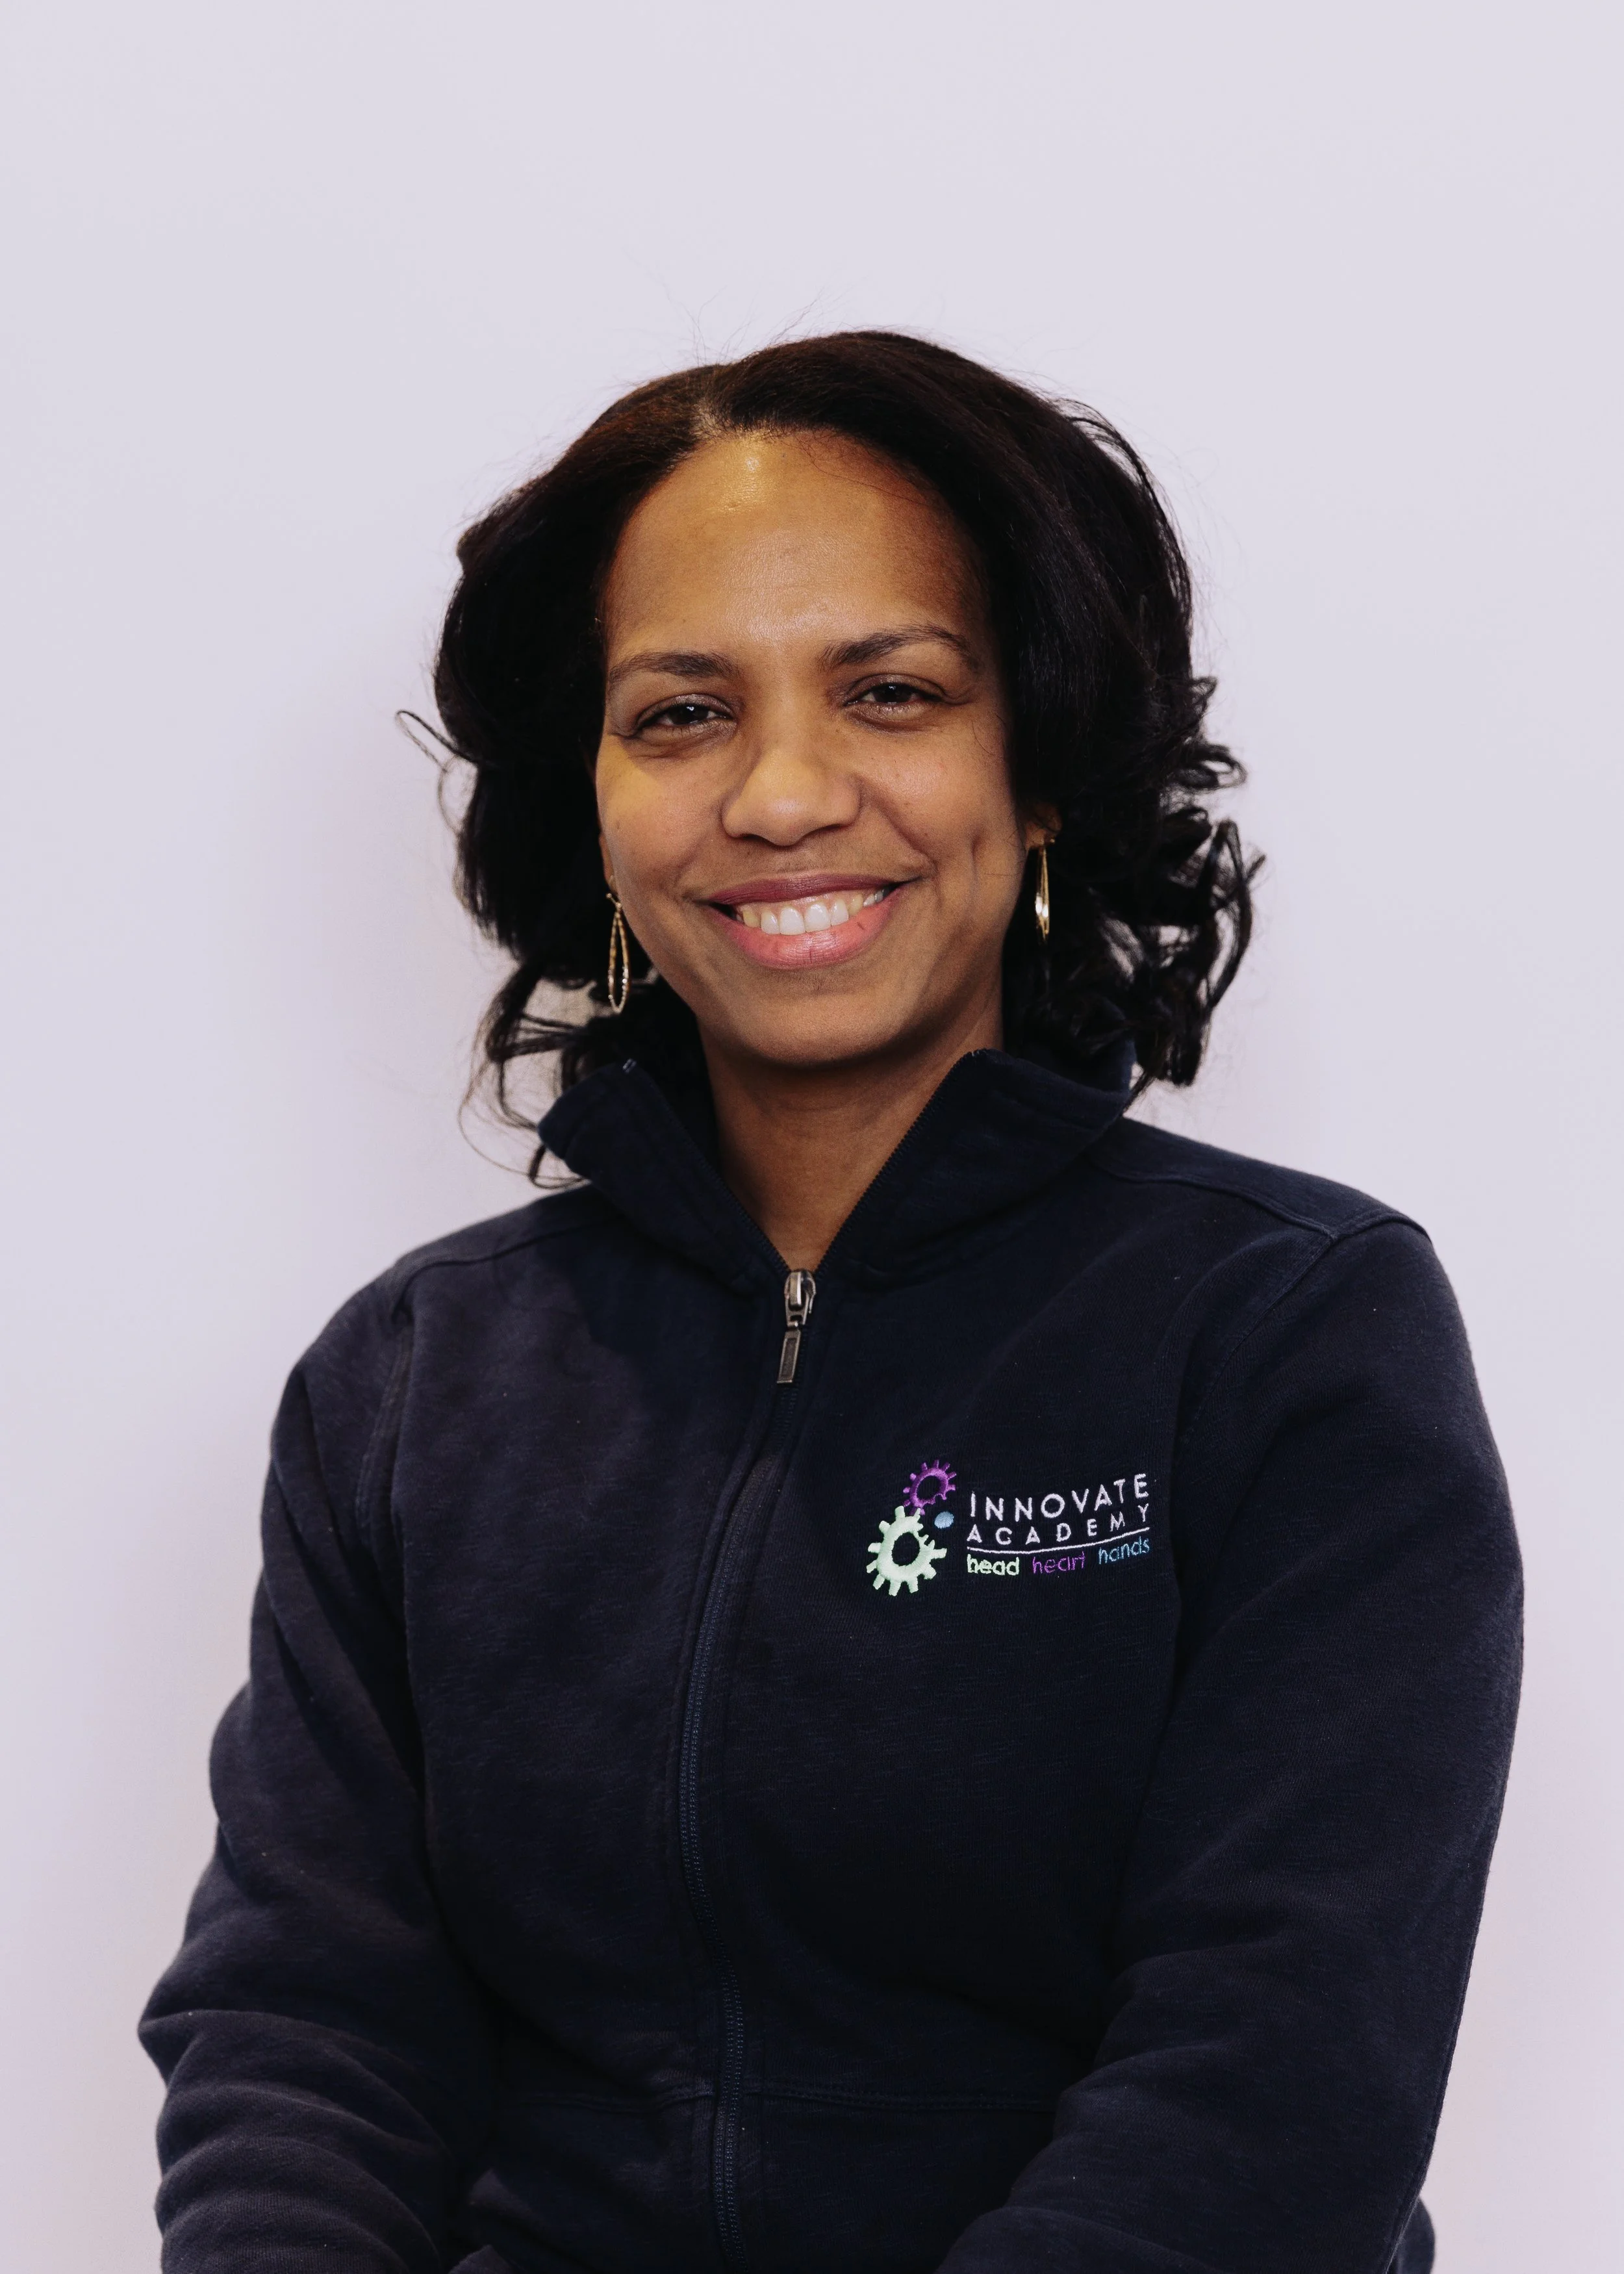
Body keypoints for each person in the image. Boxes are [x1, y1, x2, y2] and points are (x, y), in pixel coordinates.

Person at [141, 333, 1521, 2274]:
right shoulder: (413, 1379)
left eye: (889, 690)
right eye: (682, 712)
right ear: (598, 806)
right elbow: (310, 2024)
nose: (783, 794)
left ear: (1036, 768)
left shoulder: (1288, 1332)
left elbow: (1273, 2079)